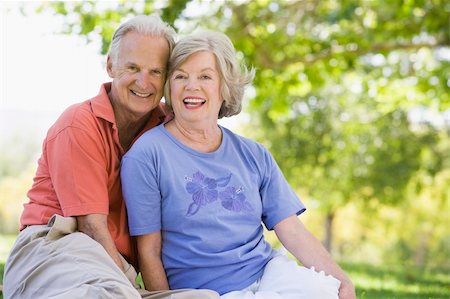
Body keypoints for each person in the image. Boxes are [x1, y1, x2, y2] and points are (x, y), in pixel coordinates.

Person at [121, 30, 356, 299]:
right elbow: (149, 251)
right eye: (180, 76)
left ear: (225, 87)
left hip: (268, 274)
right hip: (206, 291)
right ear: (169, 88)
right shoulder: (147, 155)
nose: (191, 86)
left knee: (325, 291)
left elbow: (291, 229)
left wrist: (340, 279)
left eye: (205, 77)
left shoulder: (252, 153)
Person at [3, 14, 219, 299]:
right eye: (133, 67)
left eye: (156, 71)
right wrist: (128, 284)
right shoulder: (79, 124)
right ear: (110, 66)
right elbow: (92, 227)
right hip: (54, 249)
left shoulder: (169, 127)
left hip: (111, 270)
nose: (144, 82)